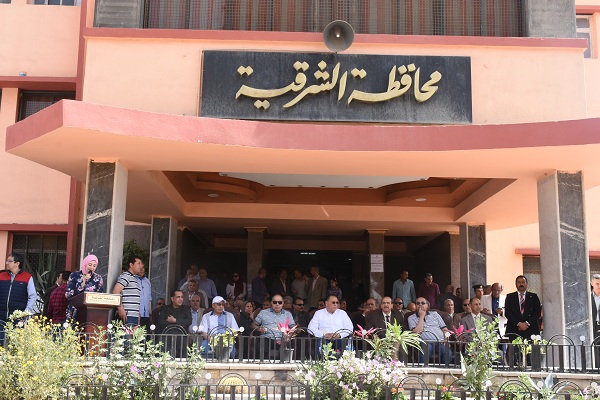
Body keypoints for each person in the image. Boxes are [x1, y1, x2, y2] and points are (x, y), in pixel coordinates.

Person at [0, 253, 37, 345]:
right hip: (1, 315)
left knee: (15, 344)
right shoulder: (1, 275)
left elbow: (32, 296)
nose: (7, 263)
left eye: (9, 261)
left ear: (17, 263)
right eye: (7, 260)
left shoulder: (27, 277)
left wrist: (26, 311)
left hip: (17, 317)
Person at [408, 297, 449, 363]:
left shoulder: (435, 314)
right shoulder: (411, 318)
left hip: (440, 341)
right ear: (415, 306)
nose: (420, 305)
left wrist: (447, 338)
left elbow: (446, 330)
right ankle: (422, 369)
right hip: (425, 342)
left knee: (447, 353)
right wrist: (421, 317)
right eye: (418, 303)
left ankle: (446, 369)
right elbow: (416, 333)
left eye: (423, 303)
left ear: (427, 305)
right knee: (425, 351)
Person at [66, 254, 105, 321]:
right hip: (75, 310)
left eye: (94, 266)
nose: (92, 268)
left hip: (91, 311)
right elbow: (68, 294)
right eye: (90, 265)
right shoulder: (74, 275)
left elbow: (100, 294)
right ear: (85, 264)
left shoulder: (98, 278)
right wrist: (83, 282)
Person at [504, 275, 541, 339]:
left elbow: (537, 313)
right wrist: (519, 324)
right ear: (516, 284)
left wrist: (527, 323)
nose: (521, 284)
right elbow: (508, 313)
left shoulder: (534, 297)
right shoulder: (510, 297)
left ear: (526, 283)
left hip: (531, 330)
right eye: (519, 282)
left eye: (523, 282)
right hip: (514, 330)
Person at [112, 255, 144, 326]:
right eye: (138, 263)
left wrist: (137, 313)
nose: (141, 266)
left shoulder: (134, 278)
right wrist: (121, 309)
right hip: (126, 315)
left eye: (141, 264)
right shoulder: (125, 276)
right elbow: (115, 291)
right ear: (131, 265)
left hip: (133, 315)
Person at [136, 264, 152, 331]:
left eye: (143, 268)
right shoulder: (133, 280)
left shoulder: (147, 281)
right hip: (136, 314)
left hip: (146, 315)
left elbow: (149, 298)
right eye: (140, 268)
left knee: (146, 334)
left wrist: (150, 314)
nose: (142, 270)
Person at [591, 275, 600, 363]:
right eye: (597, 284)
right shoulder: (588, 297)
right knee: (595, 348)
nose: (599, 286)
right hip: (593, 326)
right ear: (592, 284)